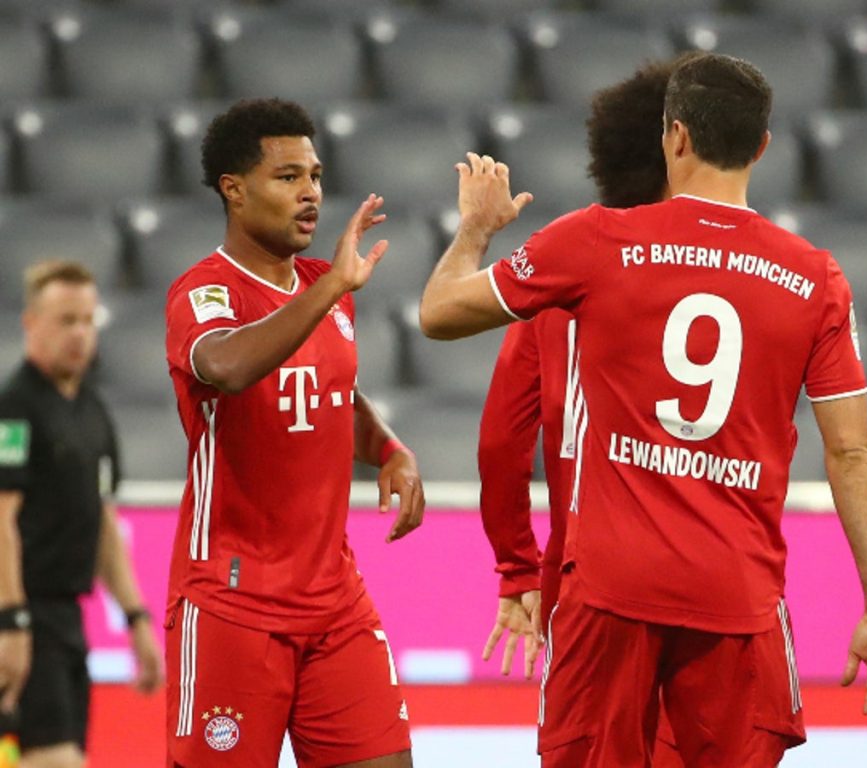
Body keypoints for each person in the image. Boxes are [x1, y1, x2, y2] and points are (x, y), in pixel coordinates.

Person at [421, 52, 867, 767]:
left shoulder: (595, 240)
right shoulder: (816, 279)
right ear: (762, 147)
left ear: (675, 135)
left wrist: (476, 230)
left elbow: (437, 314)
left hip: (609, 591)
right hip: (738, 597)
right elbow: (852, 451)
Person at [163, 97, 424, 768]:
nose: (310, 193)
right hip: (232, 604)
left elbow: (335, 394)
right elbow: (228, 367)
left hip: (334, 599)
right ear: (234, 189)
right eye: (287, 177)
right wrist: (330, 288)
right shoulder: (204, 293)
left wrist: (388, 448)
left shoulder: (324, 291)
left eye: (315, 176)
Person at [477, 60, 684, 768]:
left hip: (587, 582)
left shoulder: (562, 266)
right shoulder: (744, 272)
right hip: (713, 584)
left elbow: (501, 440)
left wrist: (517, 568)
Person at [0, 260, 163, 768]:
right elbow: (1, 519)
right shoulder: (15, 409)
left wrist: (136, 617)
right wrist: (12, 622)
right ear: (31, 323)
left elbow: (103, 523)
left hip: (68, 618)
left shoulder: (93, 412)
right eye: (66, 320)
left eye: (88, 321)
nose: (79, 333)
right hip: (27, 613)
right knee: (56, 759)